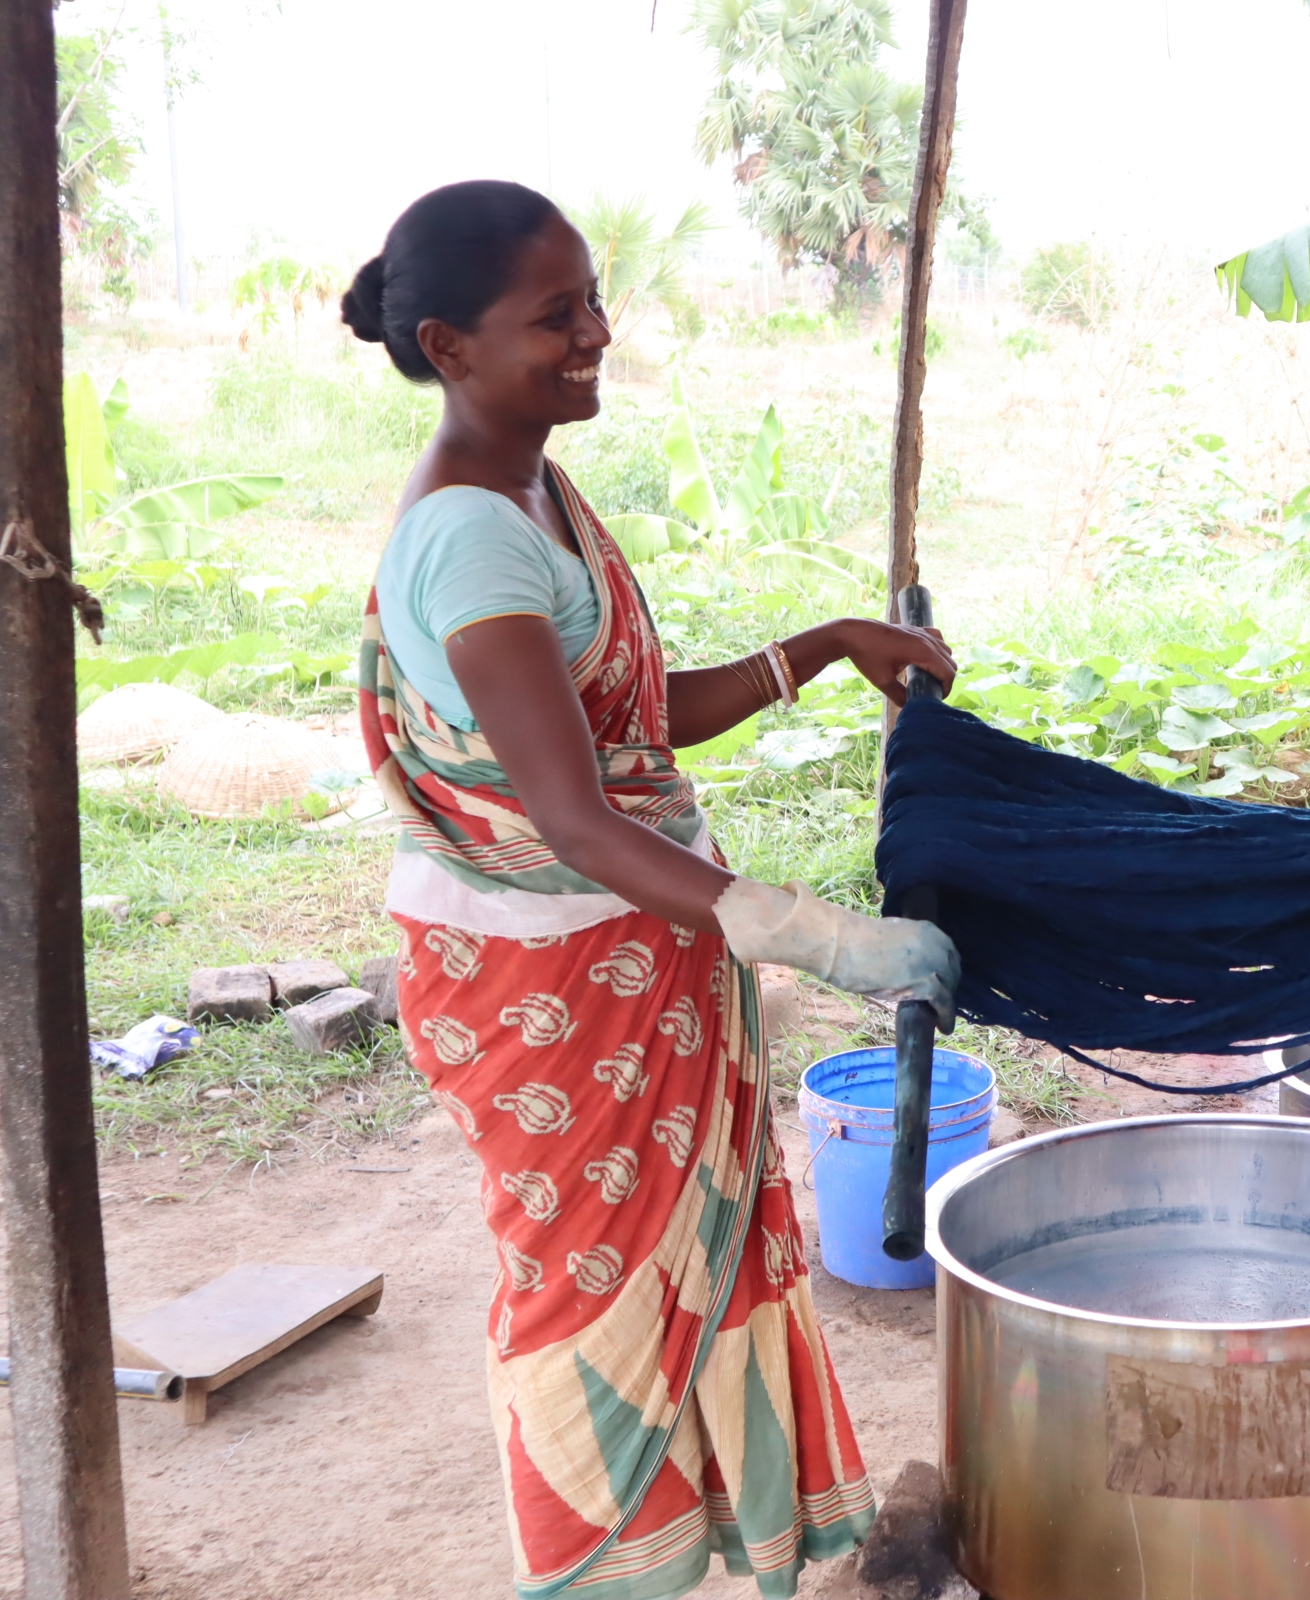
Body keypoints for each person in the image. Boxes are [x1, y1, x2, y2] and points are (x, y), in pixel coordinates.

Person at [342, 180, 960, 1600]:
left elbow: (622, 721)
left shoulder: (534, 490)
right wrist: (826, 940)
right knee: (590, 1304)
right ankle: (599, 1572)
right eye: (556, 315)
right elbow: (570, 815)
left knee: (652, 1280)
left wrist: (822, 646)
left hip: (623, 961)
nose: (596, 334)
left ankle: (681, 1560)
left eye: (593, 301)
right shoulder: (471, 539)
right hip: (552, 992)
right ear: (448, 346)